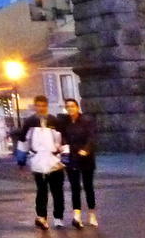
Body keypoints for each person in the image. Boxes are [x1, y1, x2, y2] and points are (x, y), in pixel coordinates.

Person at [17, 95, 67, 230]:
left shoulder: (55, 121)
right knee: (41, 191)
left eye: (43, 105)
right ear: (34, 106)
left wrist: (65, 158)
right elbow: (23, 141)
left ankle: (58, 218)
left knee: (57, 192)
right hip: (38, 161)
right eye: (38, 105)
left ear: (47, 106)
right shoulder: (29, 122)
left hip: (55, 161)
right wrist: (21, 160)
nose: (41, 108)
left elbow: (64, 140)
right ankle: (41, 216)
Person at [62, 98, 97, 229]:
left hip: (86, 158)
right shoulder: (64, 123)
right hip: (72, 158)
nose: (70, 109)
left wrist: (86, 150)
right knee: (75, 187)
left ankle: (92, 213)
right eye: (68, 107)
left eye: (72, 106)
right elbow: (62, 136)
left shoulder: (86, 121)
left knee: (88, 187)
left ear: (77, 107)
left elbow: (91, 138)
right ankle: (76, 216)